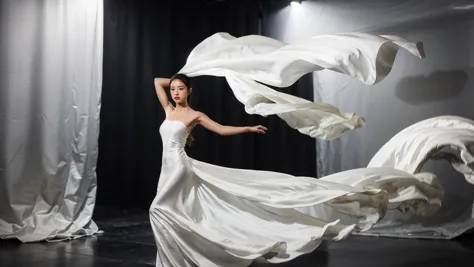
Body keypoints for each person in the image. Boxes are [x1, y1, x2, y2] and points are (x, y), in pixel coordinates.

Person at [149, 74, 442, 267]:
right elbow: (156, 81)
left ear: (190, 91)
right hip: (167, 167)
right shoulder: (168, 110)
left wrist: (249, 127)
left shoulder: (194, 115)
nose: (174, 92)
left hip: (180, 168)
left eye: (180, 88)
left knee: (159, 210)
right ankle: (176, 259)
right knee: (175, 215)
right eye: (173, 89)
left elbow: (222, 130)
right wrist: (185, 71)